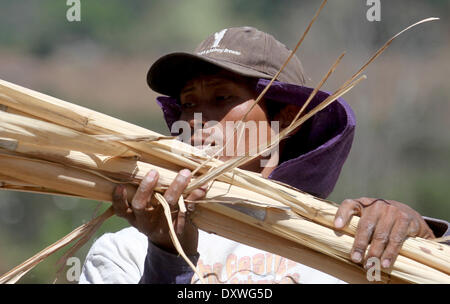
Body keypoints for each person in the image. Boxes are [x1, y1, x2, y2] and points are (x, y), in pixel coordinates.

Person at [79, 26, 449, 284]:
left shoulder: (346, 243)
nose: (197, 120)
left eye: (223, 98)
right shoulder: (123, 252)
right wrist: (166, 255)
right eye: (189, 104)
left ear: (284, 119)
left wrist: (422, 238)